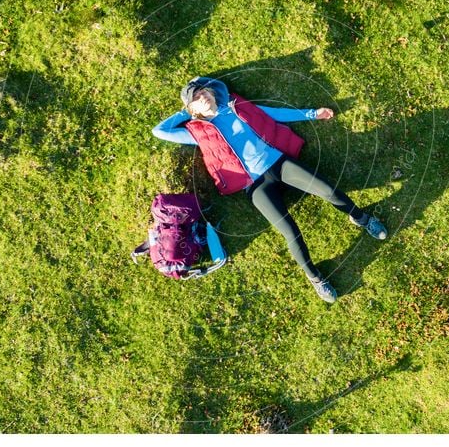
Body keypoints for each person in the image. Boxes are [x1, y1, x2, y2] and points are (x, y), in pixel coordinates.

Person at [151, 76, 387, 303]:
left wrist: (313, 114)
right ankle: (315, 278)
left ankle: (361, 218)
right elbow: (159, 131)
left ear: (212, 93)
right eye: (197, 97)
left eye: (204, 92)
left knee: (328, 190)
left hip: (280, 164)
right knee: (289, 231)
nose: (203, 97)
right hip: (255, 186)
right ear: (192, 108)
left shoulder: (235, 106)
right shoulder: (196, 132)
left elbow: (273, 114)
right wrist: (189, 110)